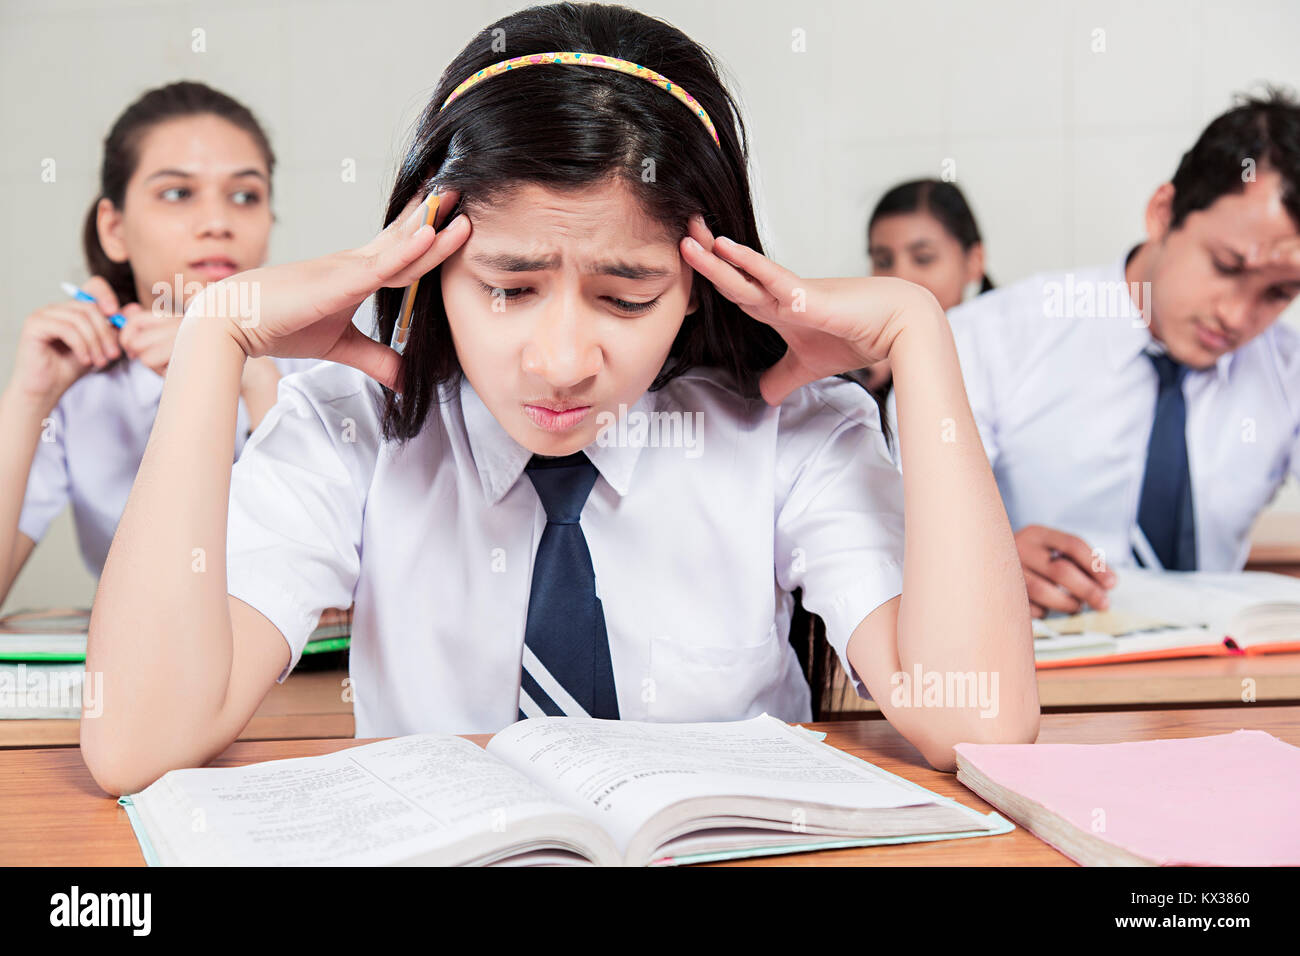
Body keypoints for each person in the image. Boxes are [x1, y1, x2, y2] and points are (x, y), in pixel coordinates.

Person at [83, 2, 1038, 796]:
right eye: (508, 288)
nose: (563, 361)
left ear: (701, 280)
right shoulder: (353, 425)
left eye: (627, 297)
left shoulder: (786, 429)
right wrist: (218, 335)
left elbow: (977, 722)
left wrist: (919, 334)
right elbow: (134, 744)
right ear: (429, 266)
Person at [944, 88, 1300, 617]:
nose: (1236, 316)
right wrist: (977, 561)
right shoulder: (991, 339)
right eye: (1226, 266)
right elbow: (898, 530)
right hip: (1033, 673)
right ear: (1163, 212)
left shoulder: (1286, 369)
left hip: (1216, 678)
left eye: (1278, 293)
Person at [0, 81, 311, 602]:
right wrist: (29, 398)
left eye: (245, 196)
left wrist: (253, 378)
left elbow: (330, 600)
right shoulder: (78, 394)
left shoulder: (317, 372)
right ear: (114, 228)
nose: (218, 223)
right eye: (177, 193)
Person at [866, 178, 993, 459]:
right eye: (883, 261)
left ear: (974, 261)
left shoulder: (1002, 355)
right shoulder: (866, 367)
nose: (900, 278)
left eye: (923, 258)